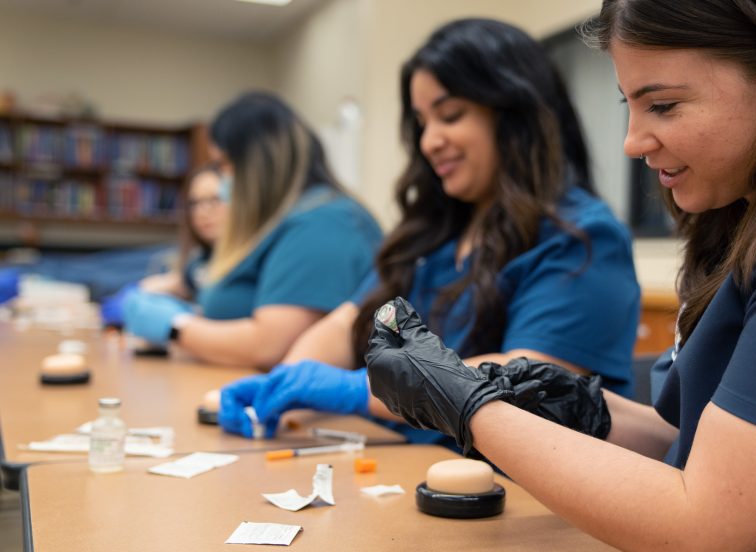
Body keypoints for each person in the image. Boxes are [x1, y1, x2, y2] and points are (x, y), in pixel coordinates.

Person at [364, 1, 756, 550]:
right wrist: (581, 408)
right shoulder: (744, 227)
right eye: (629, 105)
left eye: (663, 105)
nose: (632, 142)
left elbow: (703, 522)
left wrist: (470, 407)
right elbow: (690, 442)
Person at [218, 18, 641, 439]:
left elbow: (531, 384)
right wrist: (290, 380)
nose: (429, 142)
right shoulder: (432, 234)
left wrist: (349, 389)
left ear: (517, 117)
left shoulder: (583, 239)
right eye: (422, 123)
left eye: (450, 115)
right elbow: (348, 323)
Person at [123, 92, 382, 369]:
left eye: (224, 165)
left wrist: (176, 327)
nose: (222, 181)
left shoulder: (326, 223)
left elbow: (270, 347)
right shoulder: (282, 224)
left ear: (257, 164)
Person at [100, 163, 228, 328]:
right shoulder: (199, 262)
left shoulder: (250, 260)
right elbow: (163, 284)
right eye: (194, 203)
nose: (202, 212)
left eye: (215, 199)